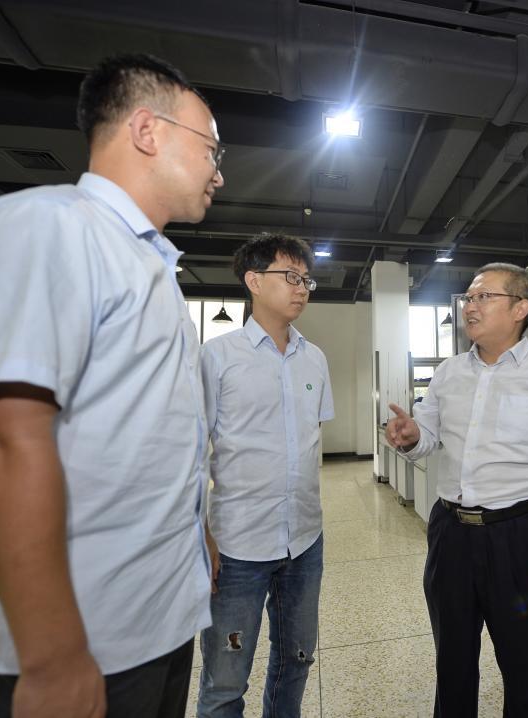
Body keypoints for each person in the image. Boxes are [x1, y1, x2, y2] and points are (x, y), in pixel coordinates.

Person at [0, 53, 224, 718]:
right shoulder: (48, 227)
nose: (219, 171)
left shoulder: (149, 266)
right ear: (147, 130)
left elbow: (140, 440)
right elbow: (5, 437)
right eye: (211, 147)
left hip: (153, 621)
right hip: (76, 643)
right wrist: (52, 655)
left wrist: (197, 539)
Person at [385, 263, 528, 717]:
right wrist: (411, 436)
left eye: (484, 297)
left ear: (520, 308)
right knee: (452, 662)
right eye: (468, 297)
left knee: (526, 669)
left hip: (519, 537)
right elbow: (428, 436)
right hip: (451, 536)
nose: (470, 307)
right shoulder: (448, 374)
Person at [197, 234, 333, 718]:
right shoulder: (217, 356)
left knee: (296, 660)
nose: (301, 288)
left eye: (306, 279)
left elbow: (310, 442)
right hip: (238, 546)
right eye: (290, 276)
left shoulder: (314, 358)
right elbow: (193, 451)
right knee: (225, 679)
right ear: (254, 281)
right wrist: (200, 530)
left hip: (304, 539)